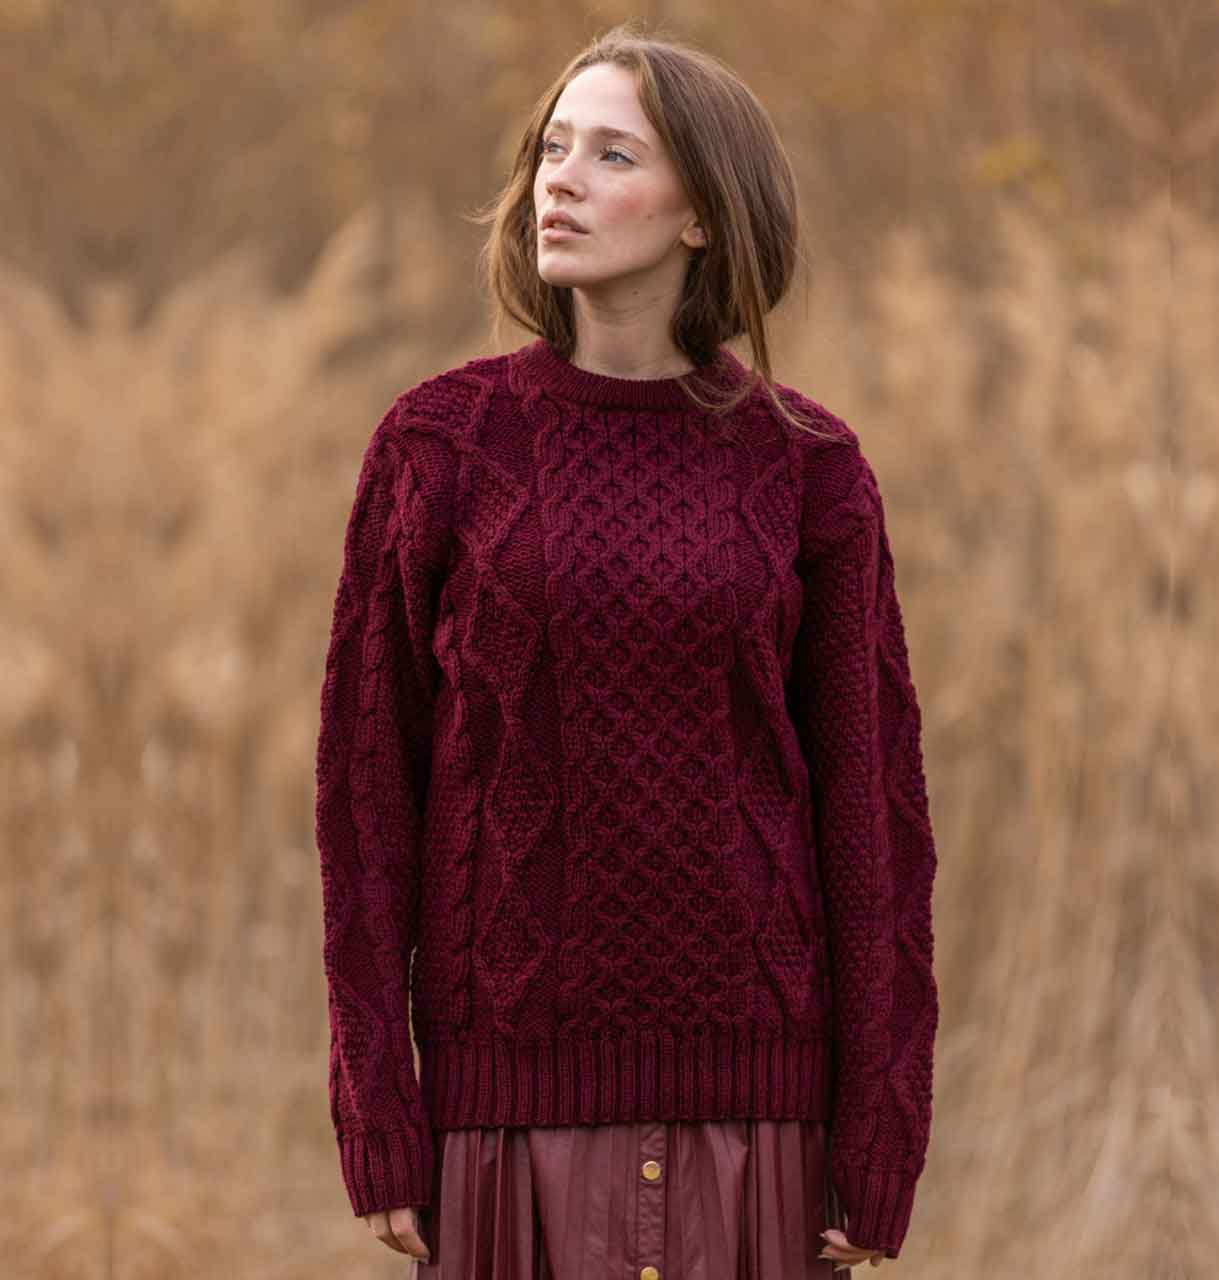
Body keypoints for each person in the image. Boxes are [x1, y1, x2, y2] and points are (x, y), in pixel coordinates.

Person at [314, 20, 940, 1279]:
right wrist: (376, 1108)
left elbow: (872, 817)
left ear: (702, 211)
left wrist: (881, 1133)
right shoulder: (438, 446)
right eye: (552, 149)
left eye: (611, 154)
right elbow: (365, 798)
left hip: (757, 1120)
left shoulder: (808, 467)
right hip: (501, 1116)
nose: (561, 181)